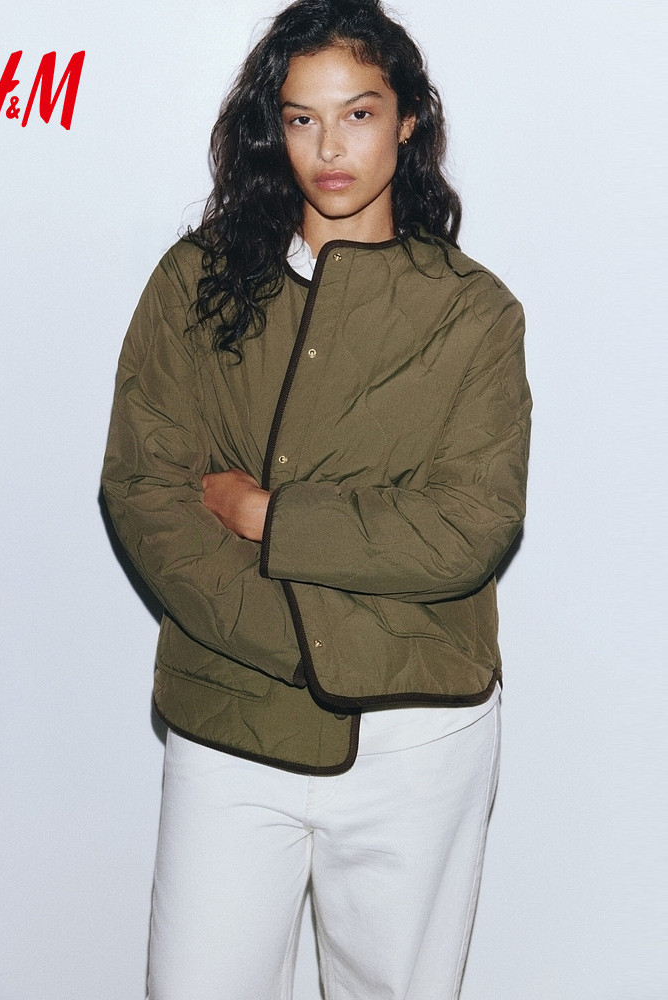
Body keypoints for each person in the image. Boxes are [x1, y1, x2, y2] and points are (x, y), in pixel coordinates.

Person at [102, 0, 531, 996]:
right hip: (231, 713)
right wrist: (296, 640)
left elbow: (469, 527)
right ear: (274, 127)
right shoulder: (197, 281)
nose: (329, 148)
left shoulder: (473, 314)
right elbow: (145, 488)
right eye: (302, 118)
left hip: (418, 738)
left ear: (409, 120)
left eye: (359, 113)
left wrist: (269, 517)